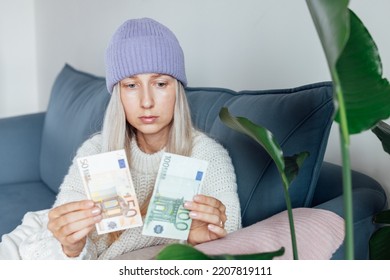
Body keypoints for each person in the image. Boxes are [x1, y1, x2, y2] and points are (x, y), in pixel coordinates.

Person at [0, 18, 241, 260]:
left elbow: (234, 246)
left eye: (160, 83)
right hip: (29, 243)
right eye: (131, 85)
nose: (147, 101)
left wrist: (204, 241)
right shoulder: (95, 150)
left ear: (177, 88)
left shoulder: (208, 156)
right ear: (118, 94)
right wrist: (70, 249)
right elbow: (54, 242)